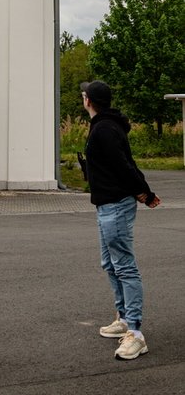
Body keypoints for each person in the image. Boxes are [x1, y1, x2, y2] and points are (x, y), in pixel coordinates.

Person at [80, 80, 161, 361]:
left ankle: (136, 334)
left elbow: (124, 165)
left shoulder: (105, 128)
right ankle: (124, 318)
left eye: (84, 94)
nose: (83, 97)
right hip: (106, 205)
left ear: (89, 101)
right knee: (110, 263)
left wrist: (144, 191)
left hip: (115, 204)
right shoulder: (104, 125)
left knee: (124, 266)